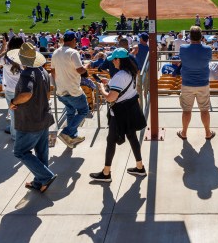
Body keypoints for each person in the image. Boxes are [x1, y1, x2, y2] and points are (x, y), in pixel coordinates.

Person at [90, 48, 147, 182]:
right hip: (131, 109)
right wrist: (109, 82)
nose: (112, 63)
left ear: (118, 60)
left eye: (113, 60)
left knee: (111, 141)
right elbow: (122, 87)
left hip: (120, 113)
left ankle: (106, 173)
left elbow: (110, 98)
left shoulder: (119, 76)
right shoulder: (131, 72)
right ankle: (140, 167)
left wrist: (102, 89)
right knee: (132, 137)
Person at [7, 42, 56, 193]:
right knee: (42, 152)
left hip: (30, 121)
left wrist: (14, 102)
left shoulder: (27, 74)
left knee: (20, 152)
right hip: (43, 117)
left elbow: (26, 94)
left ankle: (46, 176)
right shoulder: (44, 72)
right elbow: (48, 94)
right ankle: (39, 182)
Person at [51, 31, 88, 148]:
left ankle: (72, 137)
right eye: (76, 40)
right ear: (73, 40)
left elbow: (52, 71)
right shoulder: (73, 52)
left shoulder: (55, 52)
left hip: (60, 91)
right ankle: (66, 133)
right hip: (73, 91)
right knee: (83, 111)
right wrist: (87, 65)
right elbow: (80, 70)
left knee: (71, 112)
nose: (76, 42)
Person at [177, 26, 214, 140]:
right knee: (204, 110)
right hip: (203, 84)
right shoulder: (208, 49)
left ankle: (184, 133)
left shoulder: (183, 48)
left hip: (187, 84)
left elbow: (182, 59)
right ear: (201, 37)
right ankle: (208, 133)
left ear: (190, 37)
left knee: (186, 110)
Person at [0, 36, 24, 140]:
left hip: (10, 89)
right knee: (22, 111)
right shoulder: (24, 57)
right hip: (22, 89)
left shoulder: (4, 58)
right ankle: (18, 131)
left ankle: (15, 134)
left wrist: (4, 46)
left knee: (13, 112)